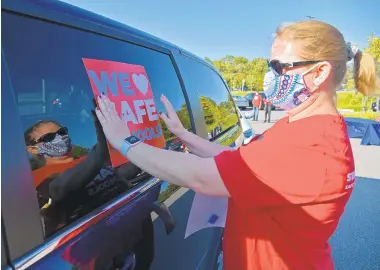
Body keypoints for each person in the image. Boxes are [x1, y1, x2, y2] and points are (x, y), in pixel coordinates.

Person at [95, 20, 379, 270]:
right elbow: (241, 160)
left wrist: (125, 141)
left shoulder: (310, 145)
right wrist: (183, 134)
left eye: (279, 66)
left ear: (320, 73)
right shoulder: (305, 126)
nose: (270, 75)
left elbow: (201, 176)